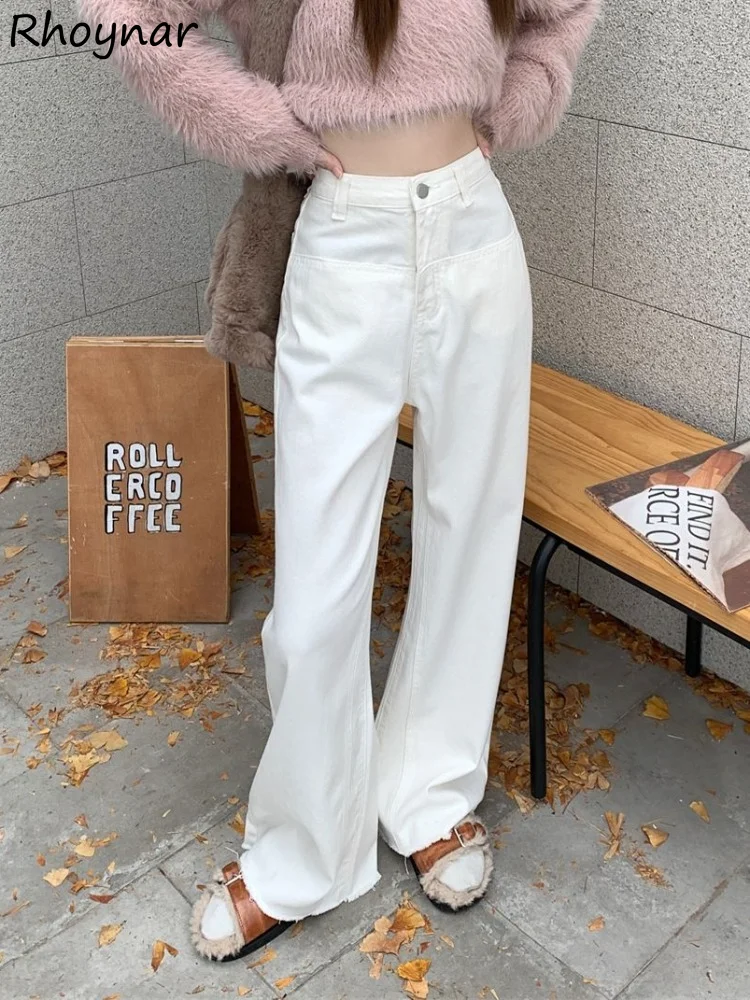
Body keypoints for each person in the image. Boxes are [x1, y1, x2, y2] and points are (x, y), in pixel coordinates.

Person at [81, 0, 601, 962]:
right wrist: (261, 126)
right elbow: (129, 17)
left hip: (475, 229)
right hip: (344, 239)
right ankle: (301, 849)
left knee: (472, 530)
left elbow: (561, 13)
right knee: (318, 583)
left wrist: (521, 95)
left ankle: (428, 794)